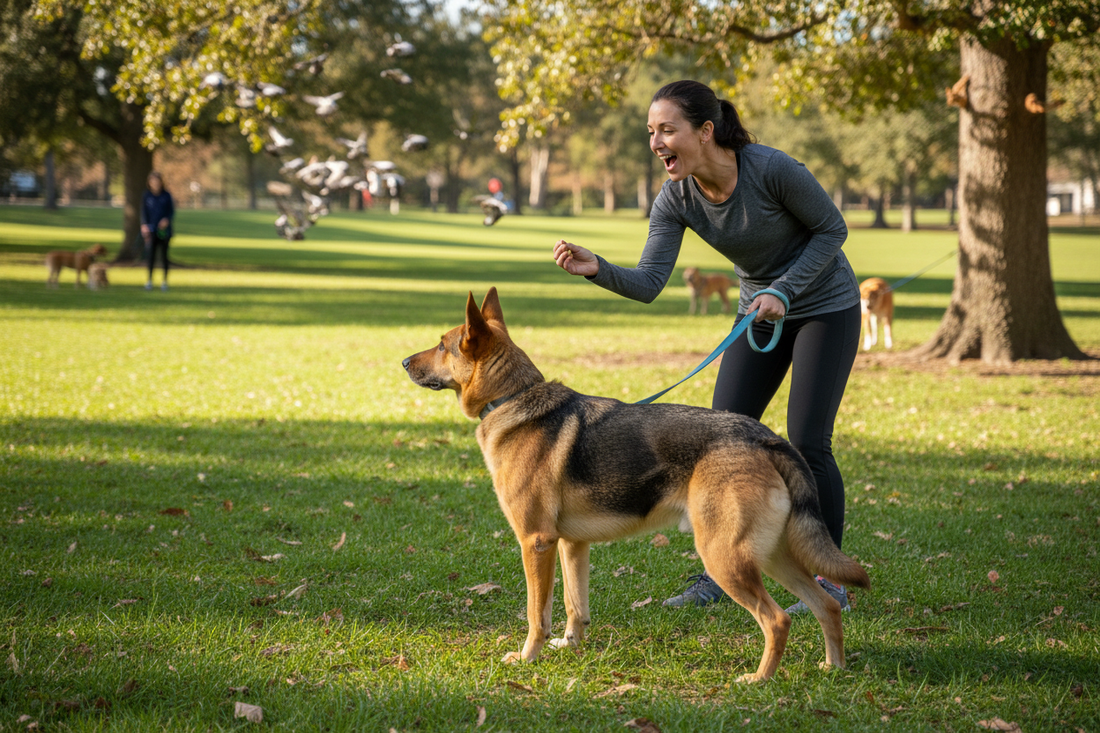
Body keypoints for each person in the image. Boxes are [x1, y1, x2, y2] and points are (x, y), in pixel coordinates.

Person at [552, 80, 861, 614]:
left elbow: (832, 231)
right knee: (719, 441)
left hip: (825, 307)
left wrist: (784, 290)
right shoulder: (676, 199)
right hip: (758, 314)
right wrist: (597, 269)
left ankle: (828, 582)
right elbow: (650, 282)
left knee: (810, 440)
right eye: (651, 132)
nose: (656, 142)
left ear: (705, 130)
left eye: (666, 129)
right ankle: (722, 572)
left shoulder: (771, 170)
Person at [141, 171, 175, 291]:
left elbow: (171, 212)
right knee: (150, 256)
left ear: (161, 182)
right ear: (149, 183)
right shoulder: (147, 196)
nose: (155, 183)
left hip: (164, 231)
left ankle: (164, 281)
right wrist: (144, 225)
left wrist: (166, 220)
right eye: (152, 181)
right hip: (151, 231)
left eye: (157, 181)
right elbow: (144, 212)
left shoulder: (166, 195)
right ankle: (149, 280)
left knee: (164, 256)